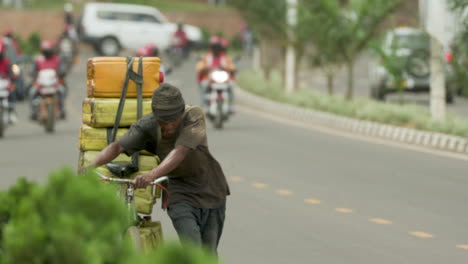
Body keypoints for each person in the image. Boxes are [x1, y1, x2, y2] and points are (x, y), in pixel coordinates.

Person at [85, 83, 230, 255]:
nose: (168, 127)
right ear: (155, 116)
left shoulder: (194, 116)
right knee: (192, 249)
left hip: (211, 189)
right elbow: (117, 147)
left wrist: (151, 175)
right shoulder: (147, 125)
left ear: (180, 113)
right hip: (179, 193)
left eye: (173, 121)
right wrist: (90, 166)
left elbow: (180, 151)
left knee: (209, 253)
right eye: (163, 122)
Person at [195, 36, 236, 112]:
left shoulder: (225, 57)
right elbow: (200, 66)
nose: (216, 50)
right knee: (204, 85)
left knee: (232, 85)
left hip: (224, 79)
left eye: (217, 48)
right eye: (214, 48)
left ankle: (231, 105)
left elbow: (231, 66)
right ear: (212, 49)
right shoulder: (207, 57)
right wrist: (204, 69)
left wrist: (231, 69)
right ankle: (204, 105)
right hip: (209, 79)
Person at [30, 40, 66, 120]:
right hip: (41, 83)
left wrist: (61, 73)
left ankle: (62, 110)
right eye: (45, 51)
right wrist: (34, 75)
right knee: (32, 92)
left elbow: (62, 69)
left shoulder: (57, 59)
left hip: (54, 83)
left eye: (48, 51)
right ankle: (33, 112)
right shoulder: (38, 59)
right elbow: (32, 70)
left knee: (62, 91)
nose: (47, 53)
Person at [0, 40, 18, 124]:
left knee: (12, 92)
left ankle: (11, 112)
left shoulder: (7, 62)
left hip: (5, 84)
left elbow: (12, 73)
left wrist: (13, 76)